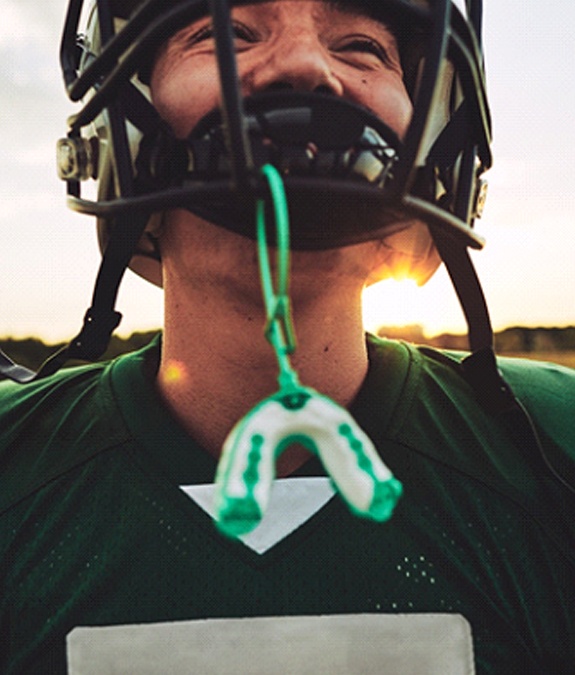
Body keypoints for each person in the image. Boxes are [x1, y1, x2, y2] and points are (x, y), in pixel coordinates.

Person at [0, 0, 573, 672]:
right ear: (123, 123)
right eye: (232, 33)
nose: (304, 66)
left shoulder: (550, 443)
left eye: (360, 45)